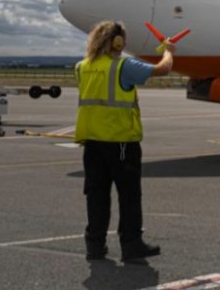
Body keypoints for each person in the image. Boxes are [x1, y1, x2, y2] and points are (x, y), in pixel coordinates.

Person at [75, 20, 174, 262]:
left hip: (92, 143)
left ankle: (95, 246)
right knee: (129, 195)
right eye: (123, 40)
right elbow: (163, 69)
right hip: (120, 143)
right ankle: (131, 245)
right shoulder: (122, 66)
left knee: (97, 195)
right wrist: (169, 51)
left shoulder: (82, 67)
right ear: (118, 42)